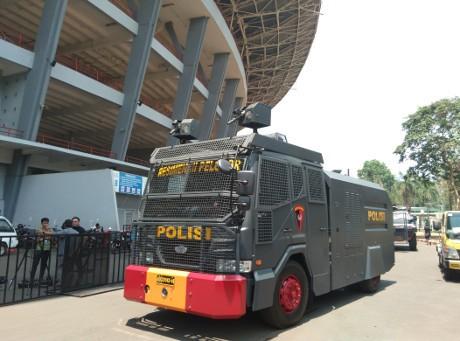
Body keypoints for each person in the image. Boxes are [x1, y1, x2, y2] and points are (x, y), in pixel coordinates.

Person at [29, 217, 53, 285]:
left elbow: (52, 234)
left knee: (43, 264)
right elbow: (39, 233)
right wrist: (46, 234)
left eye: (47, 223)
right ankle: (31, 279)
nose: (45, 224)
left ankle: (41, 279)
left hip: (47, 249)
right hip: (39, 248)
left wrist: (45, 234)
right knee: (35, 264)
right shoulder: (38, 229)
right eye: (44, 223)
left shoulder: (50, 229)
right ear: (41, 223)